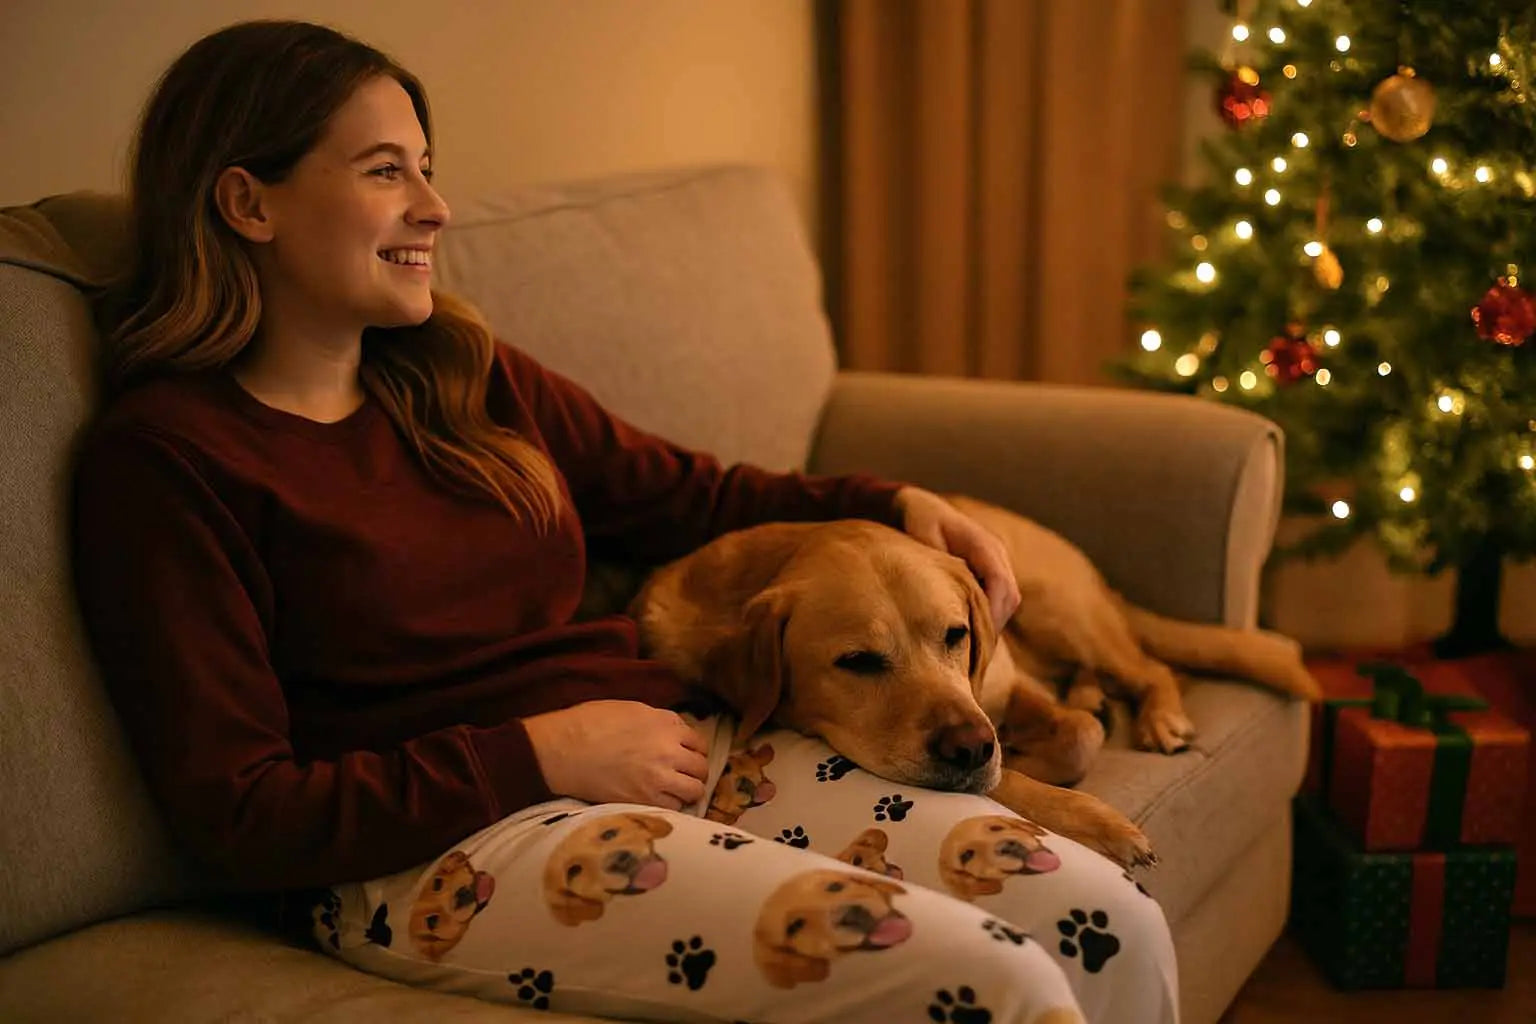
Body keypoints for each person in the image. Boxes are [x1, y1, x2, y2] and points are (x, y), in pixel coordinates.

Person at [71, 20, 1177, 1024]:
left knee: (1107, 918)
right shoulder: (168, 463)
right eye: (384, 170)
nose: (435, 207)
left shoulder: (462, 374)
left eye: (427, 168)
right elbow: (239, 813)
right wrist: (539, 751)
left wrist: (893, 503)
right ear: (248, 203)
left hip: (683, 753)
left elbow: (694, 496)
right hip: (430, 854)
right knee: (996, 985)